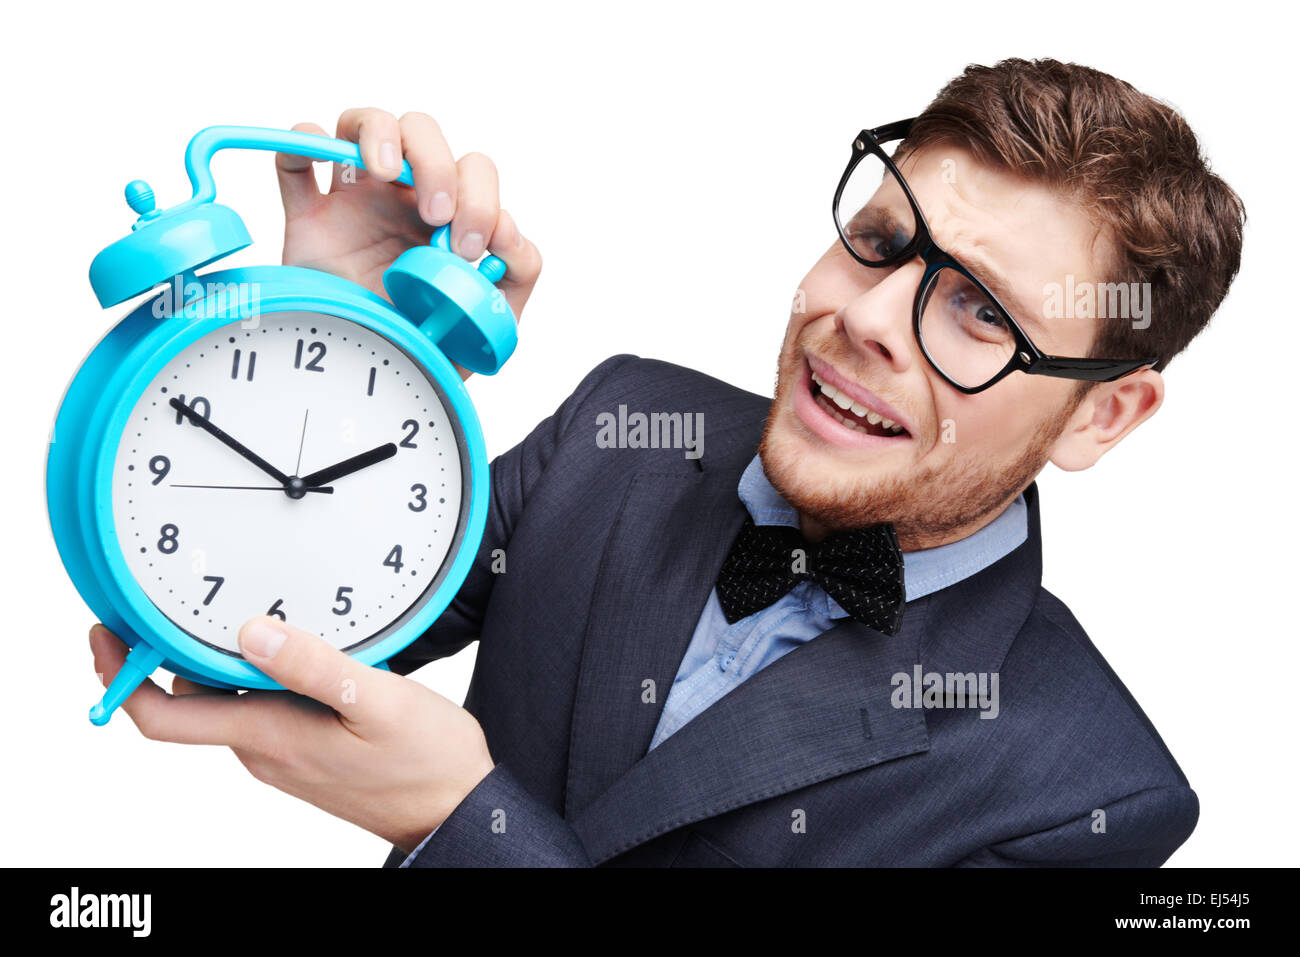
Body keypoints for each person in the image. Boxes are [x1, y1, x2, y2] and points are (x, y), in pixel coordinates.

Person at [90, 57, 1245, 866]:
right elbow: (247, 635)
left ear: (1104, 417)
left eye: (981, 313)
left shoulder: (1089, 798)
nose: (868, 317)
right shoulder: (625, 422)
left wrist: (459, 826)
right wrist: (330, 351)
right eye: (882, 244)